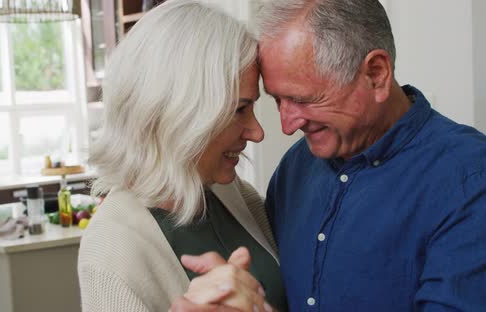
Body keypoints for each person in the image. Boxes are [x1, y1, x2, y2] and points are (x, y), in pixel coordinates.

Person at [172, 0, 486, 311]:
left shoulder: (469, 180)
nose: (286, 125)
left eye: (302, 99)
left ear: (376, 74)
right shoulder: (296, 167)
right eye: (277, 100)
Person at [77, 1, 288, 311]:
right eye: (240, 110)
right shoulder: (111, 249)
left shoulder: (233, 194)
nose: (257, 132)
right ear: (180, 114)